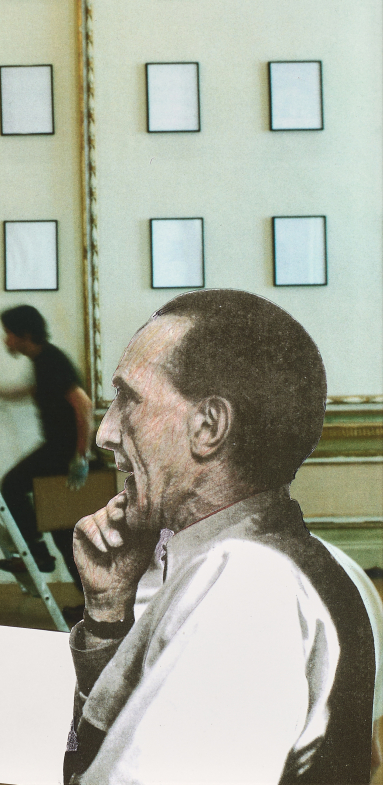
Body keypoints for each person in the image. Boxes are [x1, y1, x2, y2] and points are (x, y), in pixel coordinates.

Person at [65, 289, 375, 785]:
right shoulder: (291, 561)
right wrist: (107, 610)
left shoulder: (247, 584)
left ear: (208, 427)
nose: (105, 432)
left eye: (128, 399)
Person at [0, 305, 93, 583]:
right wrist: (1, 394)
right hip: (58, 447)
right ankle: (89, 601)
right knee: (62, 528)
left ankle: (38, 554)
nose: (6, 340)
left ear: (25, 335)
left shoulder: (51, 360)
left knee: (12, 486)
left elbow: (84, 405)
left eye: (9, 334)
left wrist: (81, 456)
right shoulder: (41, 361)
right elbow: (41, 390)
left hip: (63, 450)